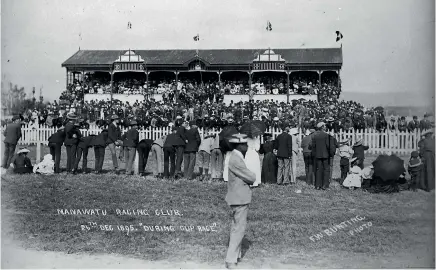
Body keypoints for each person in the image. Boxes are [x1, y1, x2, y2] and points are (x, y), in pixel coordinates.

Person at [224, 133, 256, 269]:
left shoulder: (236, 157)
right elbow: (251, 177)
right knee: (239, 229)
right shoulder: (236, 159)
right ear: (240, 146)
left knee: (236, 227)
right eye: (245, 144)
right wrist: (253, 175)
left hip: (237, 197)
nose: (247, 146)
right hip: (239, 198)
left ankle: (235, 256)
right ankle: (230, 260)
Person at [310, 122, 333, 190]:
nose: (325, 127)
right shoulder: (326, 135)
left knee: (318, 170)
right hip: (325, 155)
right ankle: (325, 185)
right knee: (326, 170)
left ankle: (318, 185)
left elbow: (312, 146)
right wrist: (331, 153)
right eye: (325, 126)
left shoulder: (315, 135)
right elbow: (328, 146)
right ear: (322, 127)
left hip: (317, 155)